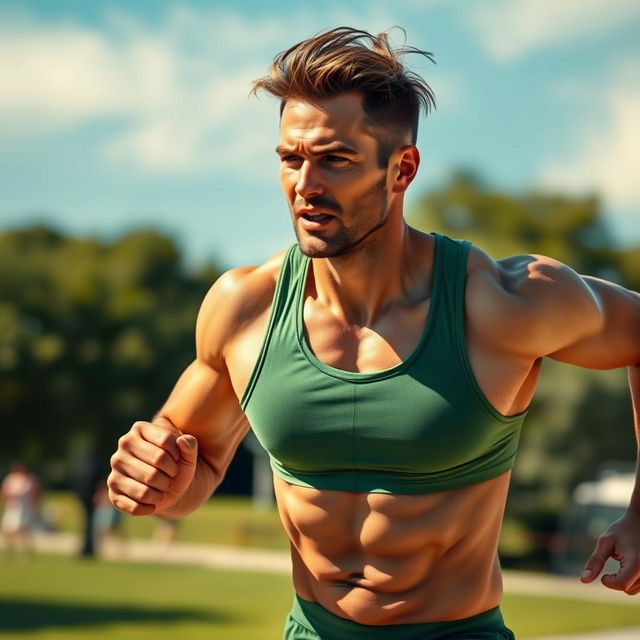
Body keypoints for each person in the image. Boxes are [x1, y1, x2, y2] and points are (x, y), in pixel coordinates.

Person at [107, 27, 640, 639]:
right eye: (290, 159)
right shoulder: (244, 309)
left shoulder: (501, 303)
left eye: (335, 159)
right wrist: (155, 482)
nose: (305, 186)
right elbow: (191, 473)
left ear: (401, 169)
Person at [1, 462, 41, 559]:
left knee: (23, 531)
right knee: (8, 530)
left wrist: (35, 508)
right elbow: (4, 492)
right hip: (12, 507)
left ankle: (25, 554)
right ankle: (9, 552)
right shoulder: (10, 478)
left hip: (25, 508)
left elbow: (35, 494)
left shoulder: (29, 480)